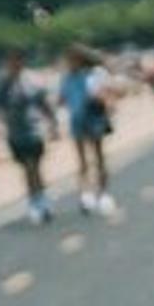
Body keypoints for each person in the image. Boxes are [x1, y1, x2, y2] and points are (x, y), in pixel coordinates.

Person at [0, 50, 59, 225]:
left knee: (34, 166)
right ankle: (35, 199)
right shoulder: (2, 82)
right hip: (14, 132)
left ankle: (40, 201)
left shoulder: (33, 80)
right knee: (26, 168)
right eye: (11, 61)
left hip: (33, 130)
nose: (14, 64)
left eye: (17, 60)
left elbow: (44, 104)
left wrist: (53, 124)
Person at [60, 44, 118, 216]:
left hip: (94, 119)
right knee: (82, 160)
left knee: (99, 157)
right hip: (77, 121)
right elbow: (62, 99)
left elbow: (107, 95)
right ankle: (86, 195)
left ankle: (103, 193)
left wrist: (100, 97)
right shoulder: (68, 78)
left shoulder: (95, 74)